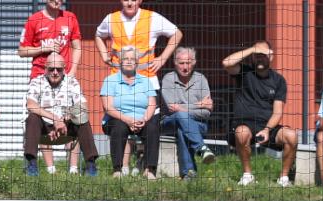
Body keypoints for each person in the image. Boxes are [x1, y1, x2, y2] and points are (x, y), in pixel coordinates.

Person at [18, 0, 83, 175]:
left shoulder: (70, 18)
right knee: (36, 120)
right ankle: (36, 165)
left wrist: (73, 71)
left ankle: (74, 168)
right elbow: (22, 51)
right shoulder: (34, 19)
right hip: (40, 78)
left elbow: (77, 46)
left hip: (64, 79)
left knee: (72, 118)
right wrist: (42, 48)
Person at [222, 40, 298, 187]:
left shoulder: (278, 80)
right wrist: (252, 49)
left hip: (267, 126)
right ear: (252, 56)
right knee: (242, 132)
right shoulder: (244, 72)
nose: (260, 58)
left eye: (263, 55)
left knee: (291, 136)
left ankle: (284, 178)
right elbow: (226, 63)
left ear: (271, 57)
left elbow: (277, 112)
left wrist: (267, 129)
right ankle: (247, 175)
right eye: (257, 55)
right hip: (244, 124)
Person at [23, 53, 98, 178]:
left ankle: (91, 165)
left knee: (83, 118)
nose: (55, 72)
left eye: (59, 69)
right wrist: (55, 119)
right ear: (45, 68)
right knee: (32, 118)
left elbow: (83, 105)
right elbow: (30, 104)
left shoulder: (72, 82)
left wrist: (67, 117)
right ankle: (32, 164)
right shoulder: (36, 82)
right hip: (44, 126)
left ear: (64, 68)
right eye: (51, 69)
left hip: (67, 124)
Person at [100, 47, 159, 180]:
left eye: (132, 59)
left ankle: (150, 170)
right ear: (120, 61)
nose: (129, 61)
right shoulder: (110, 80)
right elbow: (108, 108)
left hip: (140, 120)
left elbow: (152, 104)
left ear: (137, 63)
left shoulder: (146, 81)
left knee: (152, 128)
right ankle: (117, 169)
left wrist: (144, 119)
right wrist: (128, 120)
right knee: (119, 127)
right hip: (117, 118)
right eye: (126, 58)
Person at [95, 0, 181, 90]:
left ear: (140, 1)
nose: (129, 3)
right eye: (125, 0)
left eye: (133, 0)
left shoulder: (152, 18)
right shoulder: (111, 19)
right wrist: (104, 56)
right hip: (118, 81)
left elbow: (177, 34)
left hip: (147, 81)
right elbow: (98, 36)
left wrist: (163, 58)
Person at [160, 47, 215, 180]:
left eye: (188, 63)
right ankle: (201, 148)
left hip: (198, 125)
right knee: (180, 117)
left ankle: (189, 173)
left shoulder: (201, 79)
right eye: (182, 63)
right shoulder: (168, 79)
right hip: (168, 122)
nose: (185, 67)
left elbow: (206, 113)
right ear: (175, 63)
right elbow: (172, 108)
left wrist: (183, 108)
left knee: (182, 128)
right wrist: (199, 105)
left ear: (194, 62)